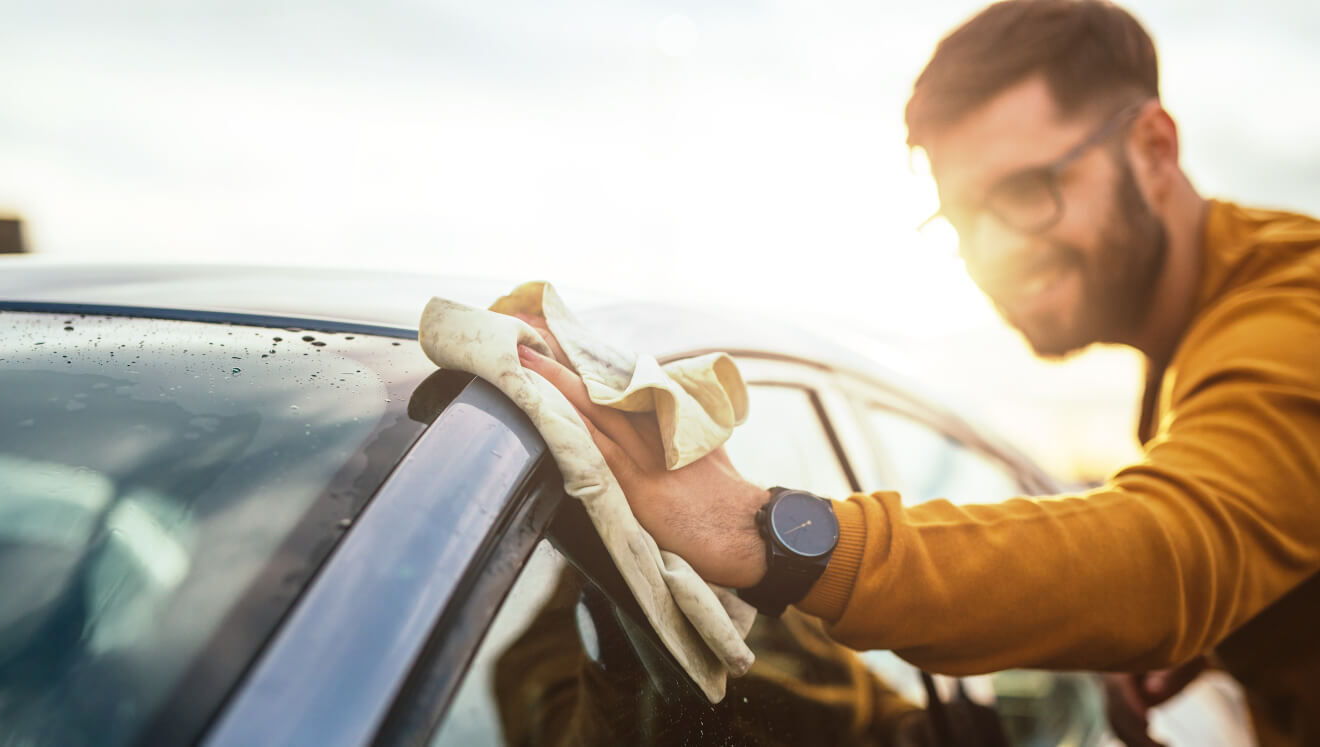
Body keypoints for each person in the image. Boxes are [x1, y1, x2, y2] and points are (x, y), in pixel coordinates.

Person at [515, 1, 1320, 744]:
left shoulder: (1300, 302)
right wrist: (1234, 641)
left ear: (1154, 149)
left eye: (1028, 190)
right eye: (963, 221)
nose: (996, 253)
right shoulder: (1203, 342)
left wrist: (768, 531)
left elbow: (1171, 550)